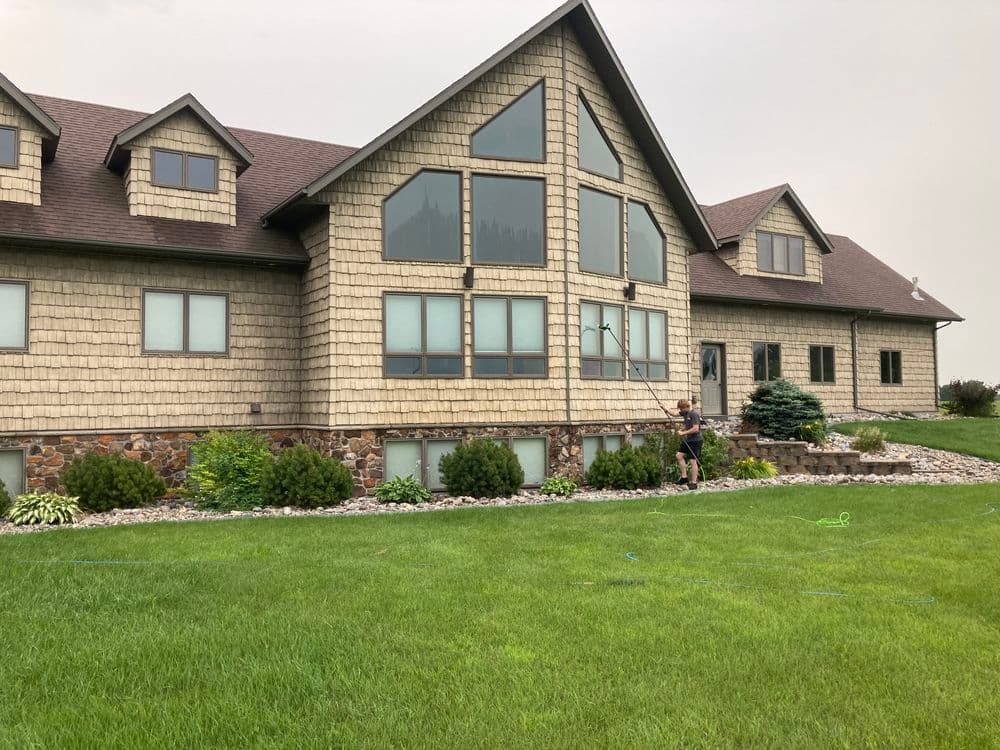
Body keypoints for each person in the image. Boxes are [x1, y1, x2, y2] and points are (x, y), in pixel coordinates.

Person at [664, 399, 702, 490]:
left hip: (695, 440)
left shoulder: (694, 414)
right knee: (679, 455)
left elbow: (696, 428)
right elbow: (674, 414)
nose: (680, 410)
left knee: (693, 461)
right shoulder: (685, 413)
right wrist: (665, 408)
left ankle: (693, 483)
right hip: (689, 440)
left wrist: (683, 433)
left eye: (681, 409)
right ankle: (684, 478)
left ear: (687, 407)